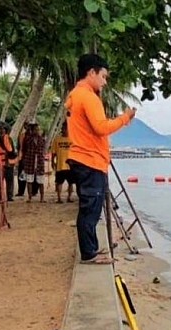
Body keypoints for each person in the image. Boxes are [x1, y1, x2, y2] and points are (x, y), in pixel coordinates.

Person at [65, 53, 136, 264]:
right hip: (89, 159)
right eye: (103, 76)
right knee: (91, 208)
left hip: (84, 158)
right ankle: (88, 253)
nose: (104, 82)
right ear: (91, 72)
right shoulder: (87, 97)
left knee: (91, 207)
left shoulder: (75, 95)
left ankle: (91, 249)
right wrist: (125, 118)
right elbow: (101, 127)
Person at [0, 122, 17, 202]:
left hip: (9, 163)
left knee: (10, 181)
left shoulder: (9, 138)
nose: (2, 130)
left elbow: (12, 150)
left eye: (3, 128)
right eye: (0, 128)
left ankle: (9, 196)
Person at [20, 122, 46, 202]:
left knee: (41, 181)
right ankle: (30, 197)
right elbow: (24, 149)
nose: (37, 131)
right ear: (32, 130)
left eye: (38, 130)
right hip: (29, 161)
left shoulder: (42, 139)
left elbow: (43, 150)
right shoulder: (27, 139)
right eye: (35, 130)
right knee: (29, 180)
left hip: (39, 162)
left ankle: (42, 198)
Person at [50, 121, 74, 203]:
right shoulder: (57, 139)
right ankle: (59, 198)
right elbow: (53, 153)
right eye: (62, 128)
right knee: (59, 182)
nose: (63, 130)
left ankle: (69, 197)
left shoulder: (73, 139)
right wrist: (52, 162)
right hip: (60, 165)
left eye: (65, 128)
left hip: (70, 166)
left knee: (71, 183)